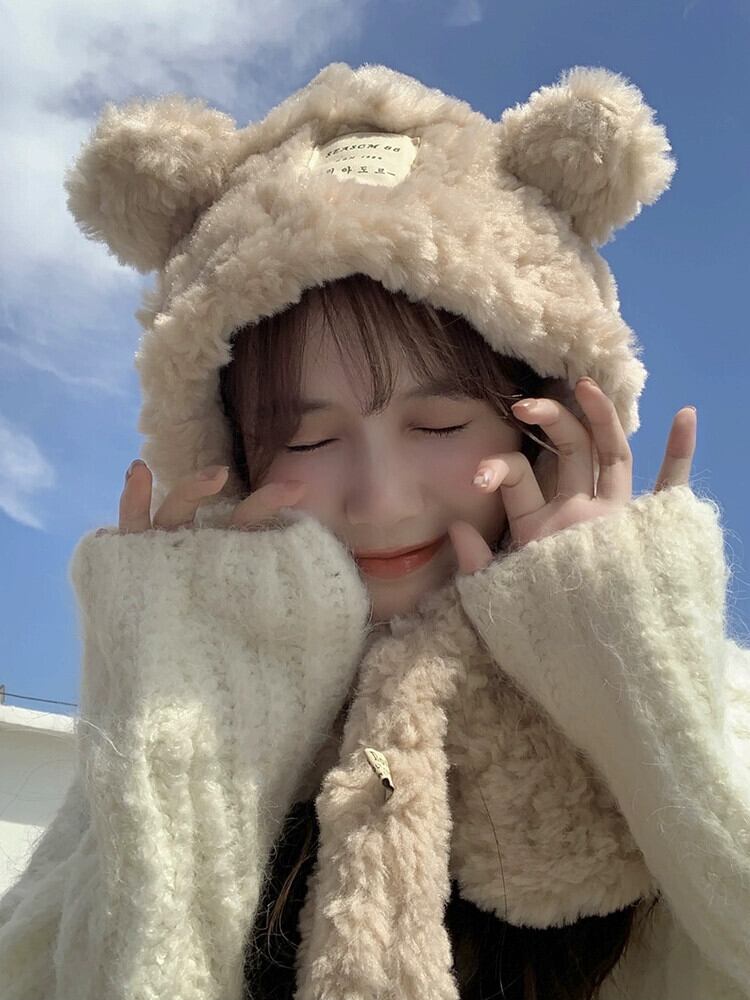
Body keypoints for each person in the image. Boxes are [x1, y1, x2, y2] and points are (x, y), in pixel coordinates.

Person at [1, 62, 748, 1000]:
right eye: (310, 438)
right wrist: (182, 719)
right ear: (233, 454)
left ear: (543, 418)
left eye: (438, 424)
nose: (380, 499)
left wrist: (632, 659)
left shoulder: (698, 682)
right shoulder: (173, 698)